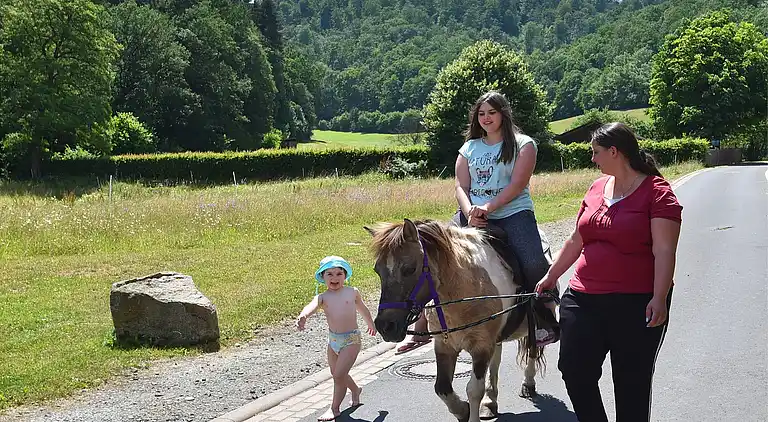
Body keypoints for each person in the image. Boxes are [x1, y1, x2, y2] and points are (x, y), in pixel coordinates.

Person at [535, 122, 682, 422]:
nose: (592, 159)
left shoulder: (657, 192)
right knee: (574, 369)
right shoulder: (596, 188)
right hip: (583, 297)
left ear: (615, 151)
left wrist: (659, 297)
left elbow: (664, 250)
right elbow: (576, 239)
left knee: (632, 384)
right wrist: (551, 276)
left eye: (596, 152)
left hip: (635, 302)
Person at [453, 90, 559, 346]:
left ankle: (544, 316)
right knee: (437, 256)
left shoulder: (524, 144)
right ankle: (427, 320)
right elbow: (460, 186)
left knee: (533, 262)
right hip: (473, 213)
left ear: (503, 114)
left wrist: (487, 208)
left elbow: (517, 184)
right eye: (481, 114)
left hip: (513, 213)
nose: (486, 118)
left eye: (492, 112)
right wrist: (469, 211)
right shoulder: (469, 148)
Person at [296, 256, 377, 421]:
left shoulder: (351, 292)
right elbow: (311, 306)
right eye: (330, 274)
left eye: (339, 273)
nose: (334, 278)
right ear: (322, 277)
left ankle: (334, 408)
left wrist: (371, 324)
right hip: (333, 340)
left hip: (351, 339)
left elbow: (363, 308)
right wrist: (304, 315)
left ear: (345, 276)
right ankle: (355, 389)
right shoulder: (323, 297)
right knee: (336, 373)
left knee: (339, 375)